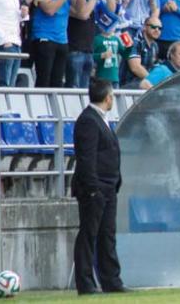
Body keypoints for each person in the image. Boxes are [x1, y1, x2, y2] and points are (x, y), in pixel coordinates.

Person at [72, 79, 127, 295]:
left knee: (107, 235)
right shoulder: (88, 120)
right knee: (89, 235)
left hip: (109, 186)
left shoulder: (100, 119)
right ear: (108, 97)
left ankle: (112, 280)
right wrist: (93, 188)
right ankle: (85, 283)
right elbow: (86, 158)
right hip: (94, 189)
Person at [31, 0, 84, 87]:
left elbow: (80, 10)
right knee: (43, 82)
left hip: (62, 39)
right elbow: (49, 10)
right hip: (45, 38)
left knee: (57, 84)